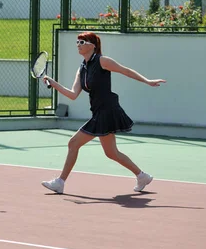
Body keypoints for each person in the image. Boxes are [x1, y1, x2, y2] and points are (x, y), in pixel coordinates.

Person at [41, 31, 166, 194]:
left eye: (82, 42)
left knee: (73, 143)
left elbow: (125, 71)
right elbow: (73, 94)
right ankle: (142, 176)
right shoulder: (82, 69)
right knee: (111, 153)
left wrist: (147, 81)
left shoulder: (102, 61)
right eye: (77, 42)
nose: (78, 45)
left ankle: (60, 182)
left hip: (107, 110)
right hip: (98, 111)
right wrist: (53, 83)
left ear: (92, 45)